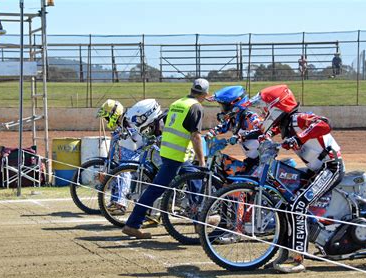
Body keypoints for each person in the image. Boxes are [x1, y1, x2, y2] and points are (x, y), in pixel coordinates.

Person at [256, 84, 344, 273]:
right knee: (287, 205)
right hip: (316, 170)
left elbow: (324, 123)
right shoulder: (284, 124)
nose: (263, 111)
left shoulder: (298, 119)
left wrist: (300, 138)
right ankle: (285, 253)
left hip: (331, 167)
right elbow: (266, 133)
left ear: (277, 106)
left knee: (298, 205)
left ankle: (299, 259)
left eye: (266, 106)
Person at [122, 78, 209, 239]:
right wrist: (202, 161)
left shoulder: (178, 103)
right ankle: (132, 224)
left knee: (194, 181)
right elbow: (196, 136)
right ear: (204, 94)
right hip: (177, 156)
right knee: (158, 188)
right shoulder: (196, 107)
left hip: (169, 152)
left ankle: (198, 221)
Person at [96, 98, 166, 220]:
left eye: (107, 117)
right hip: (139, 152)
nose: (107, 121)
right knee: (117, 168)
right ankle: (115, 200)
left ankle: (121, 203)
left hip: (146, 151)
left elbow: (141, 139)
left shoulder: (131, 120)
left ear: (114, 114)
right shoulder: (123, 123)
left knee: (124, 169)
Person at [206, 85, 264, 176]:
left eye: (224, 107)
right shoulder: (233, 118)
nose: (222, 110)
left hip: (262, 163)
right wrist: (211, 133)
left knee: (239, 185)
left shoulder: (250, 117)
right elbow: (223, 126)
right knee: (221, 162)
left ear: (235, 105)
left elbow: (262, 130)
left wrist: (242, 136)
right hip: (250, 160)